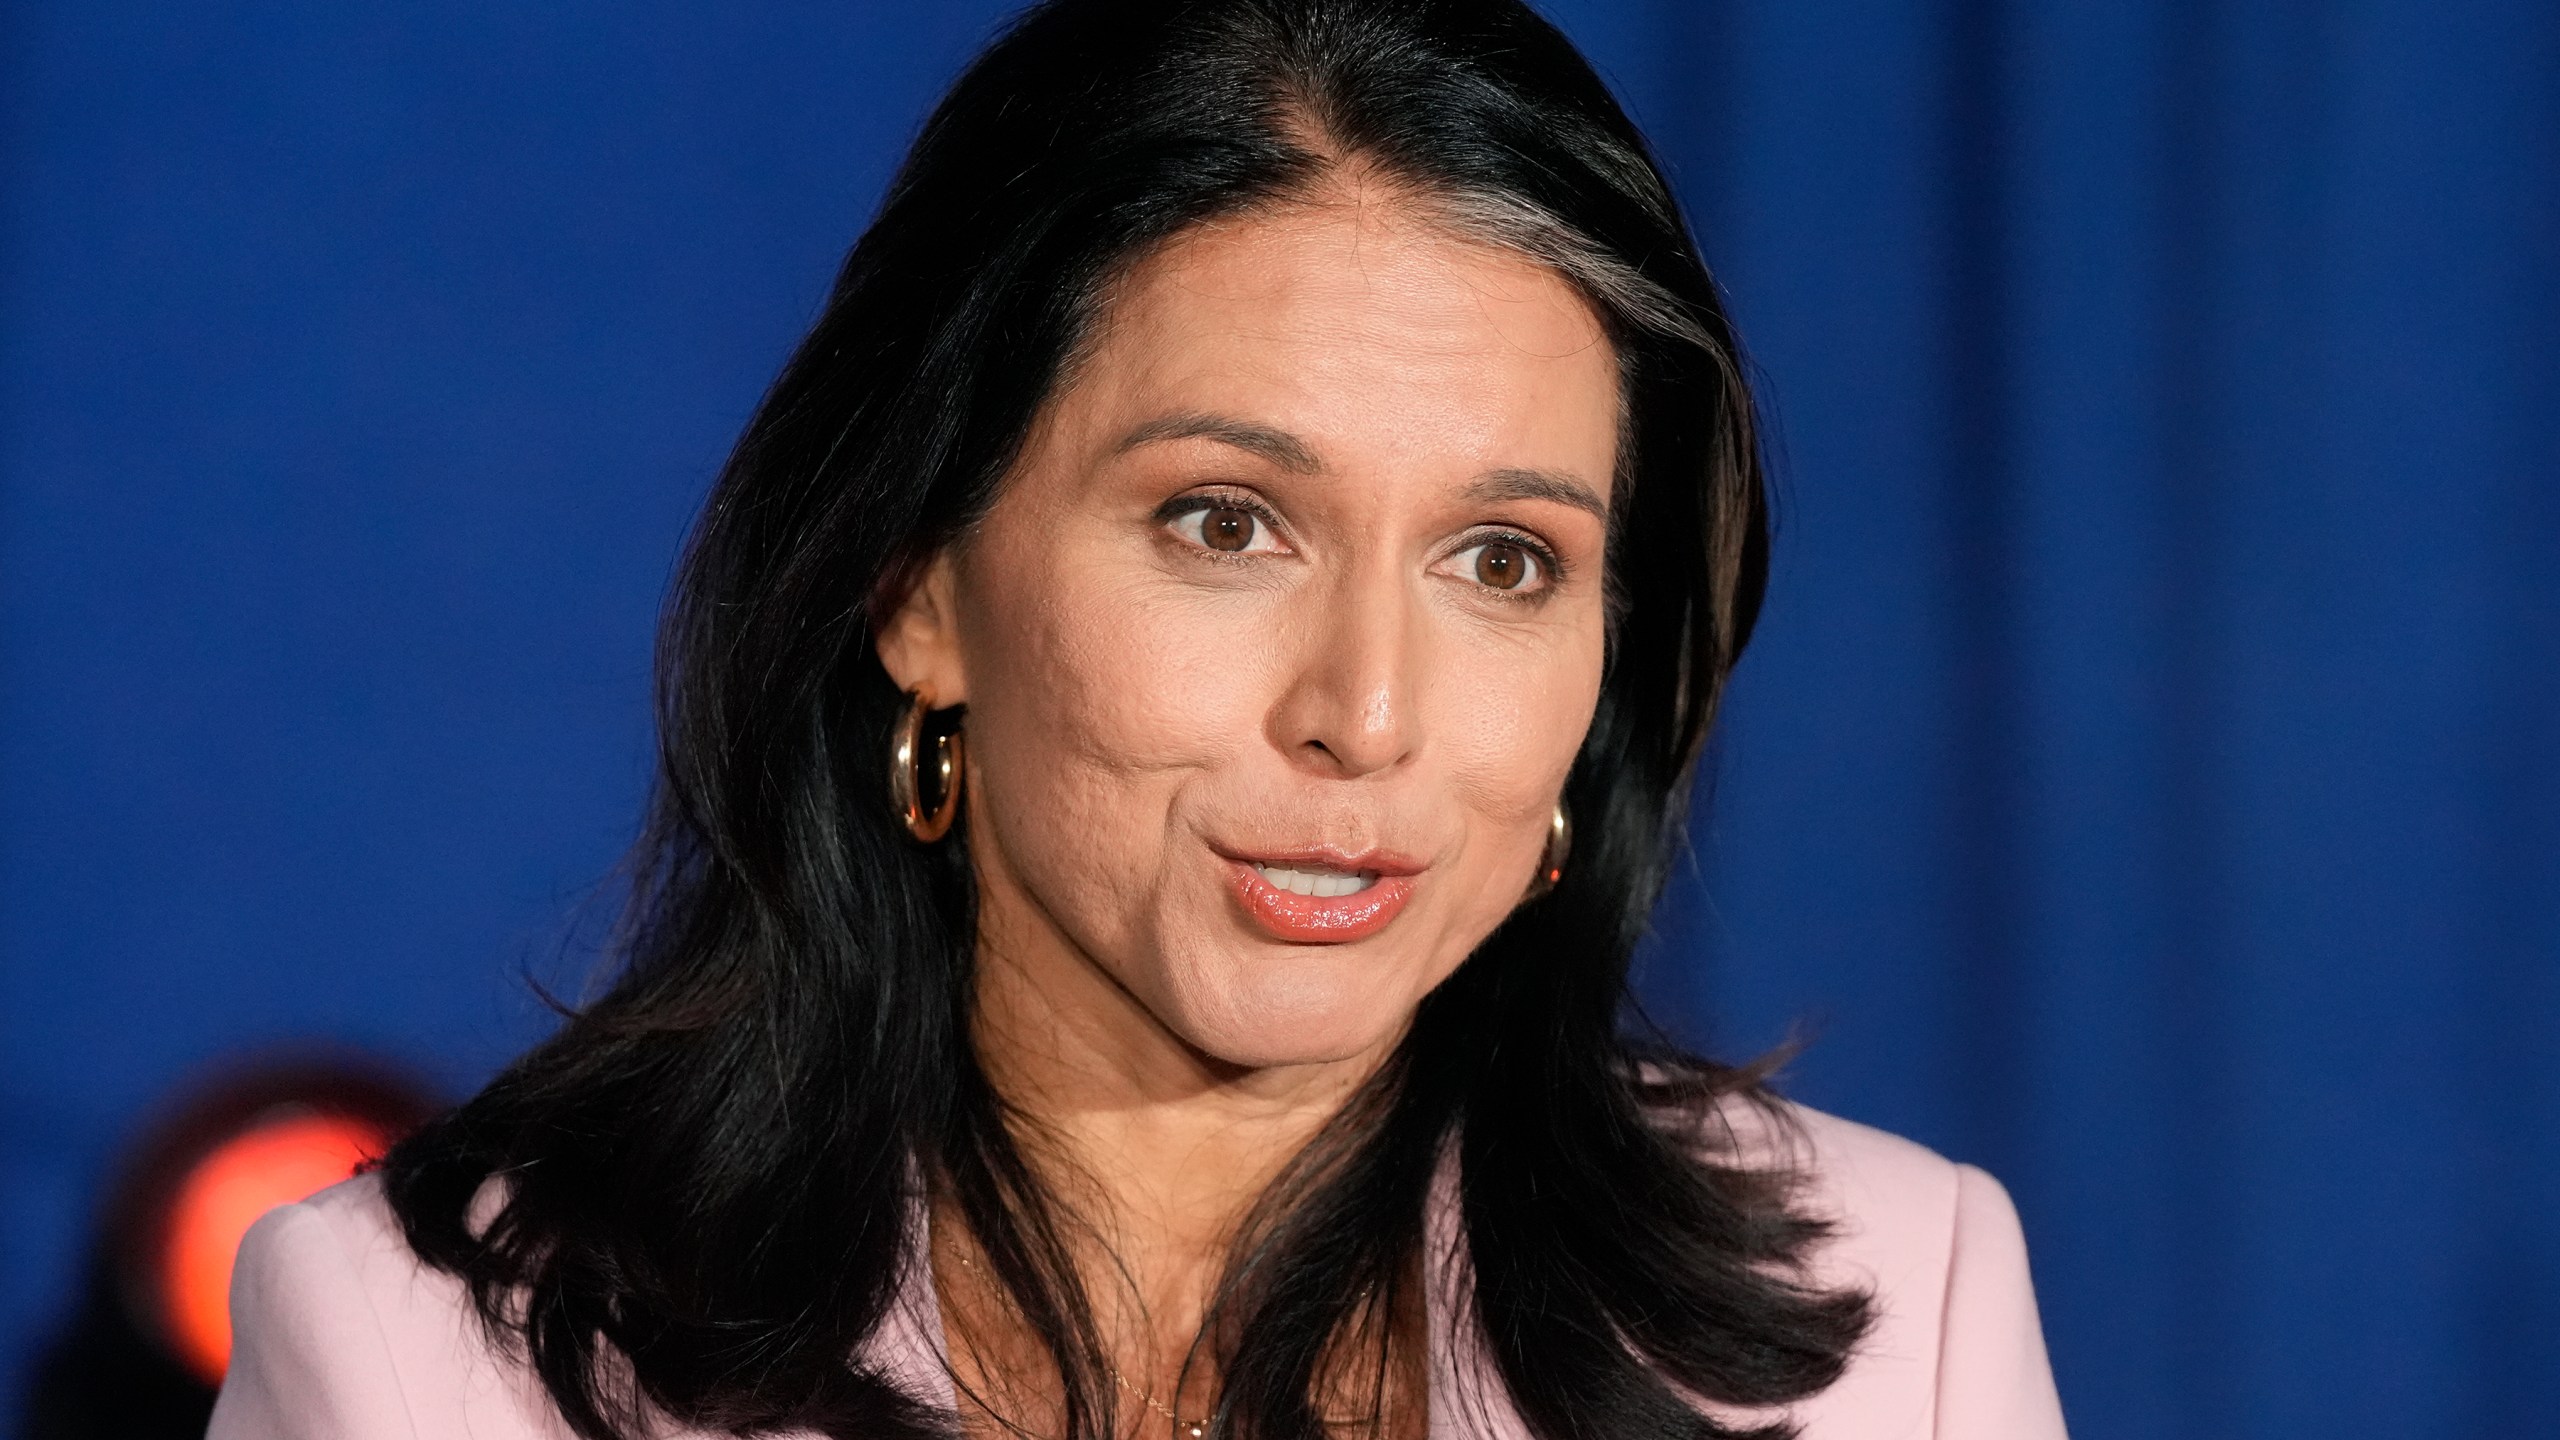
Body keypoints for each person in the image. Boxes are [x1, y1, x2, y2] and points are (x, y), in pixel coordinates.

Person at [208, 1, 2068, 1436]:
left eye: (1504, 560)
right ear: (918, 581)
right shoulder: (420, 1356)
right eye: (1226, 524)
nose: (1367, 714)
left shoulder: (1902, 1322)